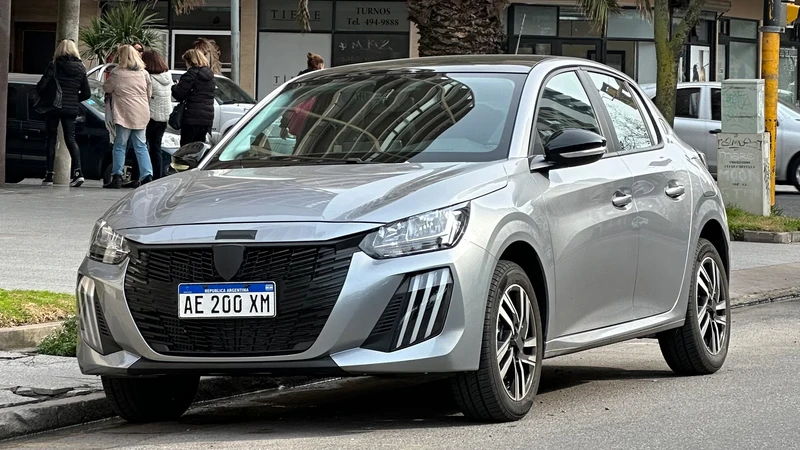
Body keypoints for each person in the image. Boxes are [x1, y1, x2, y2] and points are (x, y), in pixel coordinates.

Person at [37, 39, 91, 187]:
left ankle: (49, 175)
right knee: (71, 139)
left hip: (53, 107)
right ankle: (78, 173)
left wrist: (49, 95)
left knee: (51, 139)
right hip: (71, 108)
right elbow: (87, 93)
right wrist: (74, 99)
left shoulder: (54, 65)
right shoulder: (81, 68)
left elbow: (41, 86)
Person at [103, 44, 154, 189]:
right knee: (141, 145)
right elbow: (149, 93)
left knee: (120, 145)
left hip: (124, 113)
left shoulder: (117, 73)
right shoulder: (144, 73)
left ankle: (117, 176)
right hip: (141, 112)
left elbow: (107, 88)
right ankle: (147, 175)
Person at [172, 49, 216, 146]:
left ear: (190, 61)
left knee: (186, 147)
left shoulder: (191, 75)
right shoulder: (210, 76)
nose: (186, 65)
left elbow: (179, 94)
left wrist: (175, 86)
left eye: (186, 62)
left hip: (191, 117)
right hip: (206, 118)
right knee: (199, 146)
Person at [279, 53, 325, 140]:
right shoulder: (323, 81)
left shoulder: (299, 81)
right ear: (320, 65)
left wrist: (283, 126)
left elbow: (291, 104)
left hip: (298, 123)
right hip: (315, 125)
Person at [142, 49, 172, 180]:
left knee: (142, 147)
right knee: (156, 147)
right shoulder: (167, 76)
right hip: (164, 116)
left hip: (151, 115)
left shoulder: (148, 78)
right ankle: (157, 176)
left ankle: (143, 174)